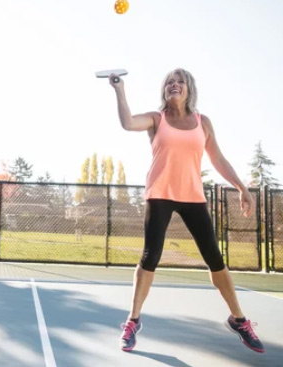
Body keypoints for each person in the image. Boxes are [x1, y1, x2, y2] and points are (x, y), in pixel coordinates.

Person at [108, 68, 264, 353]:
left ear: (189, 89)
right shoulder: (157, 119)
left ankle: (239, 320)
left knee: (215, 259)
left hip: (192, 196)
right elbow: (128, 123)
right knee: (150, 256)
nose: (174, 84)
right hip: (160, 195)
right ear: (164, 90)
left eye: (180, 81)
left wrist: (242, 187)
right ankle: (132, 321)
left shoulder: (202, 122)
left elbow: (217, 158)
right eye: (170, 81)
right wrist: (119, 90)